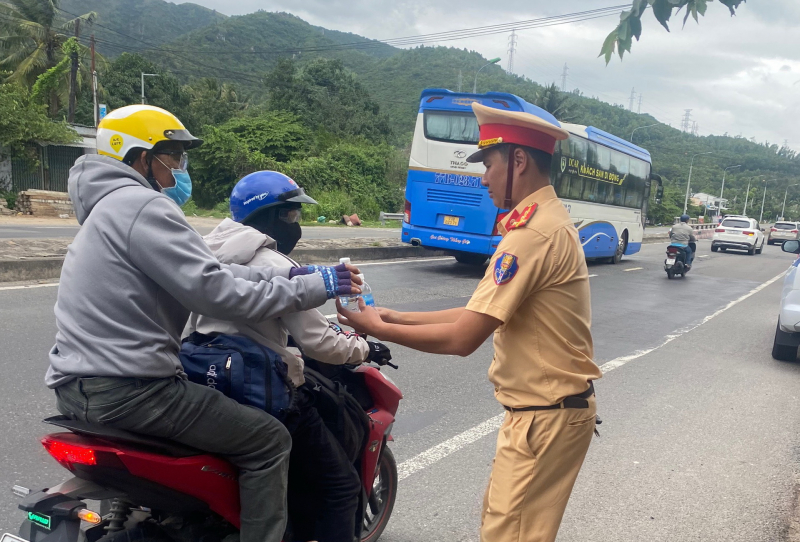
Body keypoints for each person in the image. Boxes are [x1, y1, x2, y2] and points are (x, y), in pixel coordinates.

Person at [48, 105, 361, 542]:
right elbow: (216, 291)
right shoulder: (143, 207)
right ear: (141, 156)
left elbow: (214, 274)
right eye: (171, 156)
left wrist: (289, 275)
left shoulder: (107, 210)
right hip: (132, 388)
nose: (177, 169)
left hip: (77, 385)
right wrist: (313, 286)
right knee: (269, 441)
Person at [337, 102, 602, 542]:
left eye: (490, 165)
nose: (483, 178)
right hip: (549, 412)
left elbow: (464, 337)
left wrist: (376, 328)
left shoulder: (531, 236)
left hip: (544, 417)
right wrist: (393, 315)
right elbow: (479, 313)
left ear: (519, 161)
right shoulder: (545, 223)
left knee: (508, 534)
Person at [185, 170, 392, 542]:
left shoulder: (199, 254)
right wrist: (363, 346)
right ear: (269, 215)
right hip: (258, 391)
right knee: (341, 487)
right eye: (292, 215)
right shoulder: (279, 267)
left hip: (202, 383)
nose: (296, 226)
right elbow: (319, 342)